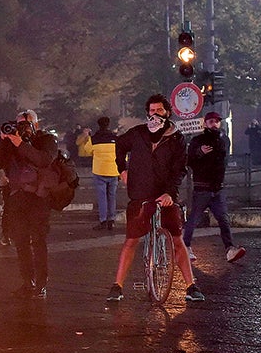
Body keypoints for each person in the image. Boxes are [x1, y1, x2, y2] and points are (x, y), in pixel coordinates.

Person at [107, 94, 201, 302]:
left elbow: (180, 169)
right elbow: (119, 145)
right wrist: (122, 169)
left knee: (176, 239)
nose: (155, 115)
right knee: (131, 241)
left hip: (165, 195)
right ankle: (117, 286)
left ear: (167, 113)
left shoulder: (176, 138)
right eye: (152, 111)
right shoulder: (138, 133)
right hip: (140, 195)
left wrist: (170, 193)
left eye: (159, 110)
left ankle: (191, 286)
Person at [0, 109, 59, 299]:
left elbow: (43, 160)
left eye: (25, 124)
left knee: (38, 240)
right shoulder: (11, 141)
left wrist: (20, 143)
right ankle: (27, 281)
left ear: (35, 125)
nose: (21, 128)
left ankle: (41, 283)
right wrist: (3, 140)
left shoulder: (46, 140)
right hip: (16, 197)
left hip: (39, 197)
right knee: (20, 240)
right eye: (18, 124)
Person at [183, 112, 246, 263]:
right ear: (205, 123)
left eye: (217, 121)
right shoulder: (197, 140)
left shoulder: (223, 140)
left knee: (224, 219)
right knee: (194, 219)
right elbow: (189, 160)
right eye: (211, 121)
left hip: (218, 188)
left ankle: (230, 249)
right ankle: (185, 247)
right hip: (202, 188)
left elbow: (223, 161)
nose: (215, 124)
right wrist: (200, 152)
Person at [80, 117, 119, 230]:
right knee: (112, 196)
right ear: (108, 124)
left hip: (99, 171)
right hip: (113, 170)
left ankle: (103, 220)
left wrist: (88, 137)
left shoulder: (94, 139)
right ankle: (111, 220)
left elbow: (87, 150)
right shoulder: (115, 138)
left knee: (102, 197)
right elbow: (122, 154)